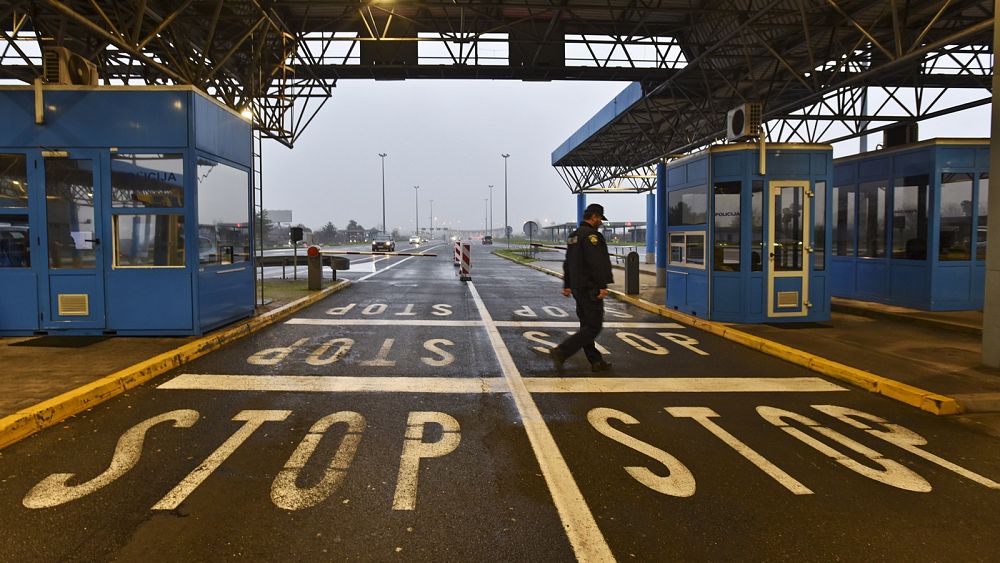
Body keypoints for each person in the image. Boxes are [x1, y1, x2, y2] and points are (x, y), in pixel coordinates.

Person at [550, 203, 614, 372]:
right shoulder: (592, 236)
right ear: (594, 217)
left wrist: (568, 284)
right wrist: (602, 285)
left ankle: (596, 361)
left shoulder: (574, 236)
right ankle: (562, 351)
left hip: (578, 288)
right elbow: (597, 263)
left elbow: (568, 262)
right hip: (590, 287)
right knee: (593, 326)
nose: (600, 222)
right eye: (600, 218)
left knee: (586, 326)